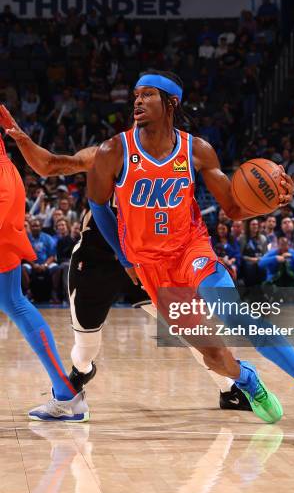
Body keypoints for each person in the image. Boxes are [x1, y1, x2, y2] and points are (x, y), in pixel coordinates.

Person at [87, 70, 294, 432]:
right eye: (136, 94)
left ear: (171, 102)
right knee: (213, 356)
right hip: (151, 268)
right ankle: (248, 381)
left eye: (147, 94)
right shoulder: (113, 150)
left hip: (191, 252)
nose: (137, 101)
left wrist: (269, 204)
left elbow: (234, 208)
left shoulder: (197, 150)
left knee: (234, 315)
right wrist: (123, 255)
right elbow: (98, 205)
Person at [0, 105, 253, 414]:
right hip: (98, 258)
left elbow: (226, 203)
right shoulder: (109, 154)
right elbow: (50, 165)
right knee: (84, 347)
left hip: (150, 261)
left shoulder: (182, 159)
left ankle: (230, 390)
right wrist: (22, 138)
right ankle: (80, 373)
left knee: (190, 331)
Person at [0, 115, 87, 421]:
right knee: (11, 299)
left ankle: (67, 393)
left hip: (2, 185)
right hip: (6, 178)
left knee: (12, 300)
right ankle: (66, 394)